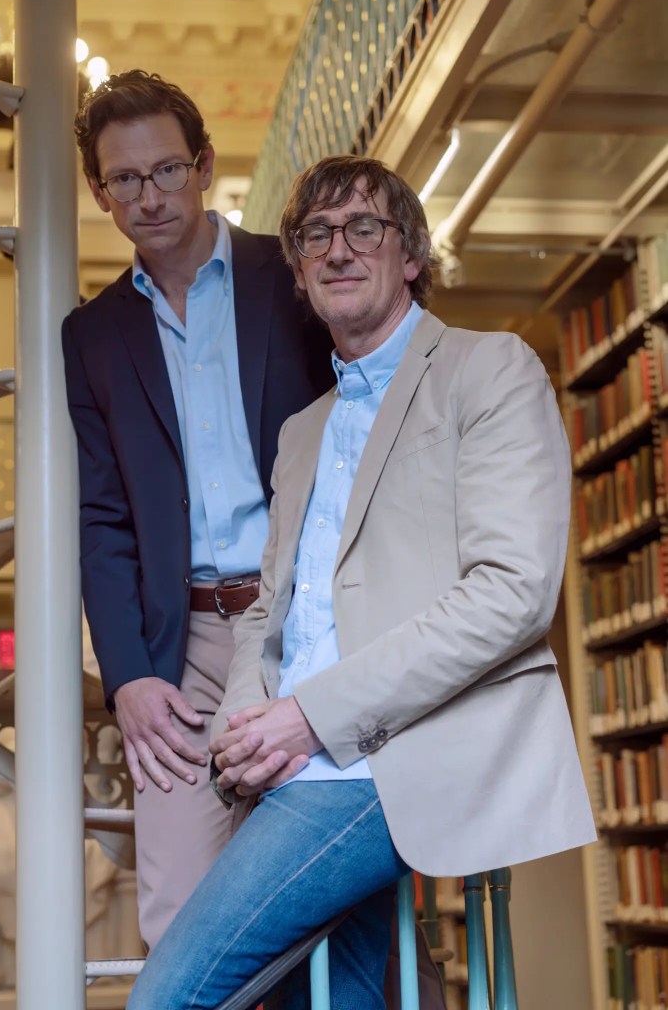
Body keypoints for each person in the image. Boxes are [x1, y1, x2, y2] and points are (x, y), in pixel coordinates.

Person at [126, 153, 597, 1010]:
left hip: (393, 753)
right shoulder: (302, 432)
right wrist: (241, 728)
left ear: (410, 254)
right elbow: (269, 609)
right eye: (316, 235)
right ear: (300, 273)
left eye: (364, 228)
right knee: (334, 1002)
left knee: (169, 995)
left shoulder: (490, 369)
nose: (338, 248)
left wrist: (311, 717)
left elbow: (513, 590)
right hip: (293, 763)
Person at [61, 70, 333, 950]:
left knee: (319, 906)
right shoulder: (93, 334)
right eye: (125, 180)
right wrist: (129, 675)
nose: (150, 196)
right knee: (179, 922)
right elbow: (102, 517)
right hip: (180, 656)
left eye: (168, 170)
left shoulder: (291, 279)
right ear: (100, 194)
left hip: (302, 627)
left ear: (206, 164)